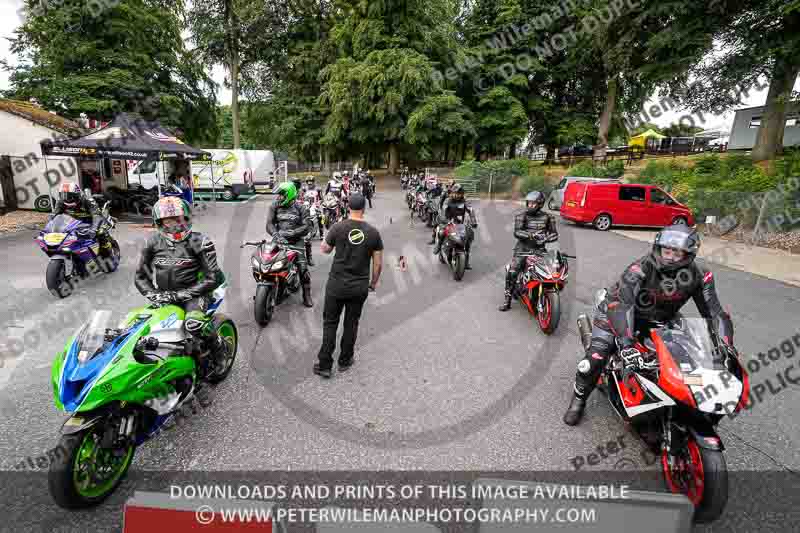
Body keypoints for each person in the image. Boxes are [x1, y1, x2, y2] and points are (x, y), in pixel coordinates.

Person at [563, 224, 736, 426]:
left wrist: (726, 345)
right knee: (595, 358)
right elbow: (623, 305)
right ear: (658, 248)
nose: (670, 256)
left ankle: (669, 399)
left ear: (689, 254)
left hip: (662, 318)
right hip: (617, 312)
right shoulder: (639, 269)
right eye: (667, 250)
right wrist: (627, 345)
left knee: (684, 359)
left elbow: (714, 313)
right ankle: (579, 399)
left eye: (677, 252)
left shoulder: (700, 275)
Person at [134, 197, 228, 376]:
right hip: (164, 295)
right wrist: (153, 294)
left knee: (193, 324)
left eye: (178, 219)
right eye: (168, 220)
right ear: (160, 222)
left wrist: (180, 295)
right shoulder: (152, 242)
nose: (174, 225)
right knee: (143, 328)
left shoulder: (201, 241)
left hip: (197, 294)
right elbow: (140, 277)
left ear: (186, 218)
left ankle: (219, 349)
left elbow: (212, 278)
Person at [314, 193, 383, 378]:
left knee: (330, 323)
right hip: (359, 286)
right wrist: (373, 283)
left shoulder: (338, 227)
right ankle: (345, 360)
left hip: (336, 284)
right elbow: (378, 264)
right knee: (351, 323)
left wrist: (326, 240)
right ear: (364, 209)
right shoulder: (373, 233)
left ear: (348, 207)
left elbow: (325, 250)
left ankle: (325, 365)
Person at [498, 191, 558, 311]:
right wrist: (531, 236)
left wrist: (546, 238)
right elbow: (517, 232)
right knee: (513, 271)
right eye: (529, 203)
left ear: (540, 204)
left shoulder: (548, 217)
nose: (530, 206)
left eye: (533, 204)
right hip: (523, 248)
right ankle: (507, 299)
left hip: (540, 249)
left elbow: (554, 234)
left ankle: (542, 293)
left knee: (549, 272)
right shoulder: (521, 216)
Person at [266, 182, 314, 307]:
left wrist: (291, 233)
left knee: (303, 270)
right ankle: (274, 288)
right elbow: (269, 224)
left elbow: (306, 226)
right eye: (278, 195)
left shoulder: (301, 208)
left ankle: (306, 295)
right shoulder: (274, 206)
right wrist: (276, 235)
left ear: (289, 194)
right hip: (279, 239)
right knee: (268, 262)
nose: (278, 197)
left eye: (281, 195)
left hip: (296, 241)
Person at [53, 182, 113, 257]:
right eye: (63, 195)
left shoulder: (87, 199)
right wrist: (49, 228)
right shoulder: (61, 201)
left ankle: (108, 251)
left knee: (100, 232)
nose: (67, 198)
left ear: (77, 194)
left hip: (92, 220)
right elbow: (55, 214)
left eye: (70, 196)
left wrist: (94, 229)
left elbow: (96, 215)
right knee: (66, 234)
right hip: (74, 221)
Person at [431, 184, 477, 269]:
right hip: (448, 222)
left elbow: (471, 210)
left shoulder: (464, 201)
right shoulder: (448, 200)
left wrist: (473, 221)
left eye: (457, 193)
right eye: (454, 193)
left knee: (469, 234)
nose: (455, 195)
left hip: (460, 224)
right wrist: (445, 220)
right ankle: (438, 246)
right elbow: (443, 211)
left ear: (461, 194)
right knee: (442, 231)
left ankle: (466, 262)